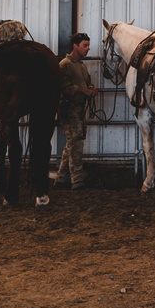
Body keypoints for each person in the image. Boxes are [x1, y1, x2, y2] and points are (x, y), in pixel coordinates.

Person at [55, 32, 97, 190]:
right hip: (69, 108)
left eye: (88, 45)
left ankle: (62, 177)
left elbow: (85, 84)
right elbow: (64, 87)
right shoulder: (65, 64)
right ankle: (77, 179)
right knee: (76, 141)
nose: (88, 49)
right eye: (84, 46)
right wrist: (84, 91)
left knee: (73, 142)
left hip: (78, 108)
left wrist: (90, 89)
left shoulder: (80, 65)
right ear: (75, 46)